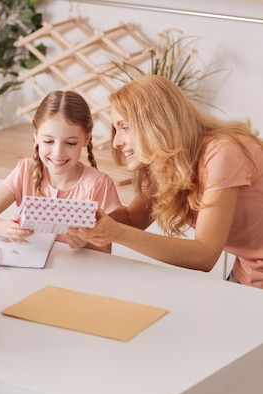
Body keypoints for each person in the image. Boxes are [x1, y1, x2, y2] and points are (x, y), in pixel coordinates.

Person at [69, 74, 263, 287]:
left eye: (124, 128)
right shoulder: (169, 163)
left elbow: (204, 255)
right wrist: (76, 216)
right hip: (248, 269)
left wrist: (118, 233)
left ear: (157, 124)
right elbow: (133, 219)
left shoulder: (221, 154)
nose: (115, 142)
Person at [0, 90, 122, 253]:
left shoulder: (99, 184)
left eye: (70, 143)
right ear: (35, 135)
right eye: (48, 141)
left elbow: (105, 251)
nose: (58, 153)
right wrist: (6, 228)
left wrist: (84, 243)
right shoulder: (26, 170)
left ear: (86, 138)